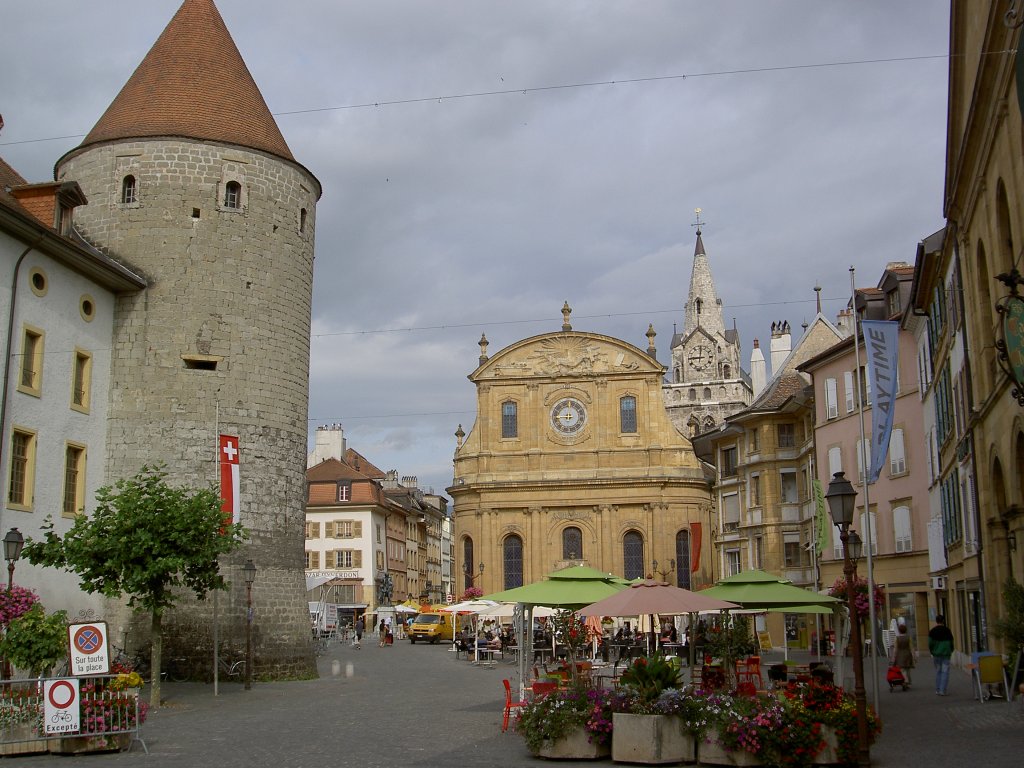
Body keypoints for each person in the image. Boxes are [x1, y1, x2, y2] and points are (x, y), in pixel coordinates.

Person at [928, 614, 954, 695]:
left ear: (936, 621)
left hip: (936, 654)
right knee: (945, 672)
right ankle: (943, 690)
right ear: (943, 621)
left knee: (938, 671)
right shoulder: (947, 630)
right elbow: (951, 642)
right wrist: (951, 650)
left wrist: (932, 651)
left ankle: (938, 689)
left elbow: (930, 643)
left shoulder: (932, 631)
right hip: (946, 654)